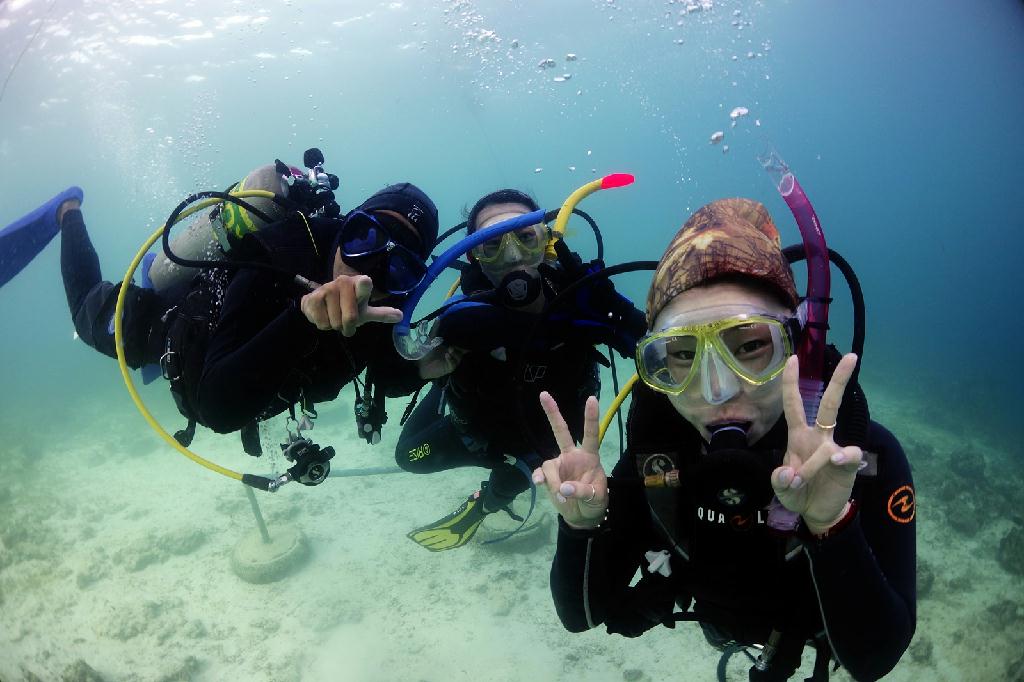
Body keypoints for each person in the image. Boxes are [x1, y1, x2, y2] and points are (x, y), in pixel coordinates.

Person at [533, 198, 916, 680]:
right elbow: (580, 615)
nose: (717, 390)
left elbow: (875, 661)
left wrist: (832, 523)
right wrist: (581, 527)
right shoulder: (659, 460)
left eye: (751, 346)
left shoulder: (863, 459)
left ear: (799, 346)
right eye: (681, 355)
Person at [9, 166, 439, 462]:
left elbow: (386, 372)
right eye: (365, 237)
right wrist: (302, 320)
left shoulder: (388, 303)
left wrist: (429, 365)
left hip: (245, 376)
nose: (369, 270)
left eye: (399, 264)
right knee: (86, 315)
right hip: (169, 328)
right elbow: (217, 408)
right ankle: (68, 211)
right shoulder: (279, 252)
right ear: (347, 226)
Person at [397, 189, 647, 550]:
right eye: (492, 244)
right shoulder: (460, 320)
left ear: (547, 242)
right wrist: (425, 371)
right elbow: (393, 374)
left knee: (519, 477)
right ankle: (446, 392)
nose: (512, 256)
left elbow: (652, 346)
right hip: (476, 438)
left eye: (526, 237)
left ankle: (486, 502)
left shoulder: (579, 301)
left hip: (546, 445)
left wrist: (611, 308)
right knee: (407, 457)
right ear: (474, 255)